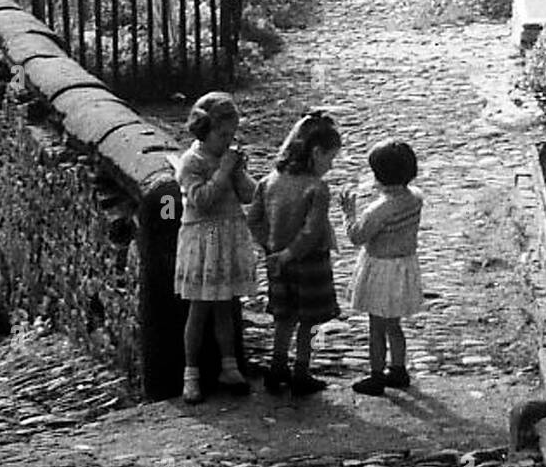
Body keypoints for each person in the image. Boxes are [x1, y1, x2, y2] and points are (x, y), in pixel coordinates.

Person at [247, 110, 342, 396]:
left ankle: (277, 368)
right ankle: (302, 370)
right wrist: (291, 252)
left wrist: (271, 248)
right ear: (316, 152)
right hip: (309, 263)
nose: (331, 165)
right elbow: (312, 231)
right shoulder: (317, 188)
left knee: (283, 317)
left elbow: (253, 219)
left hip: (276, 262)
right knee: (309, 322)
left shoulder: (269, 181)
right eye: (330, 158)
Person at [174, 92, 257, 405]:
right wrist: (224, 170)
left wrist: (239, 171)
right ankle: (191, 373)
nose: (228, 141)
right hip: (203, 241)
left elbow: (249, 196)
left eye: (231, 135)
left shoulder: (226, 159)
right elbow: (202, 201)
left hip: (227, 235)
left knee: (225, 305)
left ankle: (229, 366)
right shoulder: (191, 163)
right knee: (199, 310)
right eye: (222, 135)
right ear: (203, 131)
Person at [341, 139, 424, 397]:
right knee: (393, 324)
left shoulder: (379, 209)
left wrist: (348, 213)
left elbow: (357, 236)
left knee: (376, 326)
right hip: (404, 266)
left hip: (381, 269)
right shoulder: (415, 198)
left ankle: (376, 375)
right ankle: (398, 369)